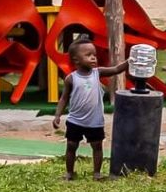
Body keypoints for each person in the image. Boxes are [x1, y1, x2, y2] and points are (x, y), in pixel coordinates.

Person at [50, 35, 126, 179]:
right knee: (71, 146)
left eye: (94, 55)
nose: (93, 58)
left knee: (97, 146)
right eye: (88, 55)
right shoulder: (71, 78)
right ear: (76, 60)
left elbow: (116, 69)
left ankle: (97, 173)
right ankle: (69, 172)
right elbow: (64, 98)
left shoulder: (98, 73)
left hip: (95, 121)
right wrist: (57, 115)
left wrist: (130, 61)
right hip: (75, 121)